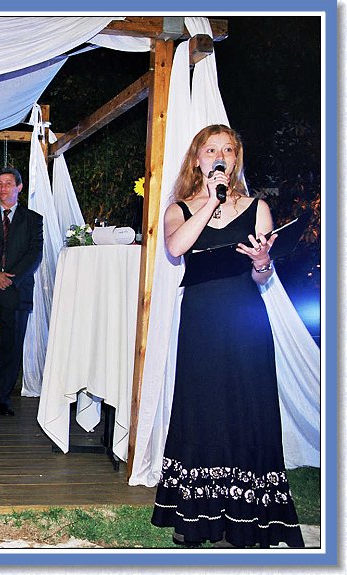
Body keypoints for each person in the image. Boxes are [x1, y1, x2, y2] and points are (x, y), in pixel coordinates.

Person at [151, 124, 303, 548]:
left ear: (236, 160)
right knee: (203, 409)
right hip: (202, 321)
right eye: (211, 150)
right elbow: (176, 248)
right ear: (197, 160)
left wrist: (263, 261)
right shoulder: (179, 209)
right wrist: (211, 201)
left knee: (247, 407)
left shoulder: (257, 208)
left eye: (228, 150)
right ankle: (196, 518)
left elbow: (262, 276)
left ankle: (247, 520)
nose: (220, 156)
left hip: (245, 319)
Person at [0, 168, 43, 416]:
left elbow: (34, 253)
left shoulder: (33, 219)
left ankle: (1, 398)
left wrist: (11, 278)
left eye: (8, 183)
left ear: (19, 187)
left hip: (17, 293)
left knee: (11, 348)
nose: (3, 188)